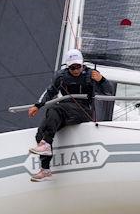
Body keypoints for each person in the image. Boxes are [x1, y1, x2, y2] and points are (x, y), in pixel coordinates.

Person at [28, 49, 113, 182]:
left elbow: (109, 92)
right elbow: (50, 92)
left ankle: (46, 146)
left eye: (78, 66)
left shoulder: (91, 74)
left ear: (82, 64)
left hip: (83, 110)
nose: (75, 70)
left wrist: (102, 80)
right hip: (65, 109)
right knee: (41, 132)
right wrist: (37, 105)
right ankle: (45, 170)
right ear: (68, 67)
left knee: (54, 109)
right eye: (72, 67)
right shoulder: (61, 76)